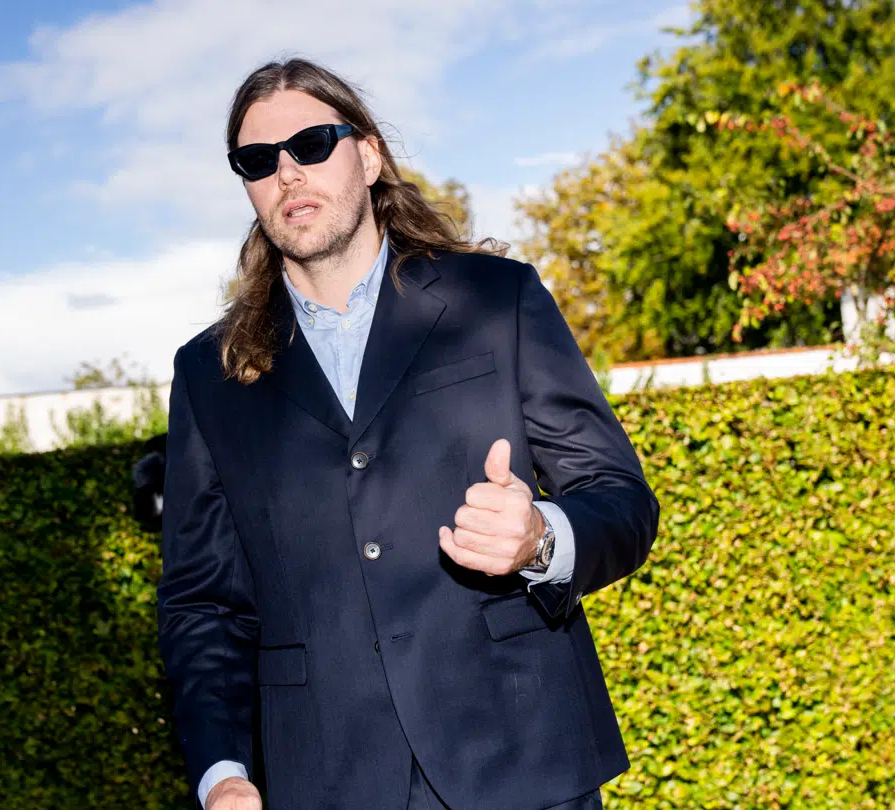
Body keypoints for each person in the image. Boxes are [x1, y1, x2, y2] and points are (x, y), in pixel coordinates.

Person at [157, 58, 659, 810]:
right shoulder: (210, 372)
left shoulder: (496, 300)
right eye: (258, 160)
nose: (287, 173)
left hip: (522, 759)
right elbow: (202, 602)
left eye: (311, 144)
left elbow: (619, 496)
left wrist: (540, 539)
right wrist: (222, 772)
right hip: (328, 779)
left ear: (368, 155)